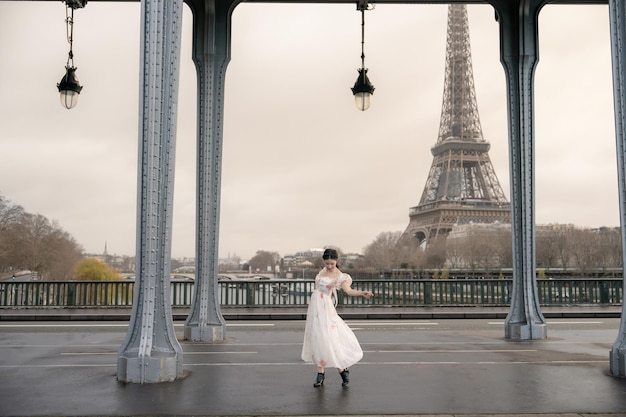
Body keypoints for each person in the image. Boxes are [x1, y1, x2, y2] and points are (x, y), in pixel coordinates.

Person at [301, 248, 373, 388]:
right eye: (327, 263)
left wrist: (362, 293)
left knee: (330, 338)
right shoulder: (322, 271)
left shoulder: (340, 276)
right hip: (315, 307)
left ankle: (342, 368)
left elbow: (348, 291)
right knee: (317, 338)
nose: (329, 266)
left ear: (336, 261)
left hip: (325, 307)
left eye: (331, 264)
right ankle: (320, 373)